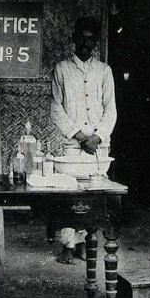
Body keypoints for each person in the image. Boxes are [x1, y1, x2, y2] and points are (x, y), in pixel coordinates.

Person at [50, 16, 117, 264]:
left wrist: (97, 137)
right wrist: (80, 135)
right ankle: (68, 245)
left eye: (91, 40)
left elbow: (111, 109)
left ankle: (84, 243)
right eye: (82, 38)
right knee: (70, 194)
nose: (85, 44)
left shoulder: (104, 71)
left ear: (96, 42)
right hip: (73, 145)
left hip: (98, 146)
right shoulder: (61, 69)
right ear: (74, 40)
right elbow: (56, 109)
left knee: (93, 195)